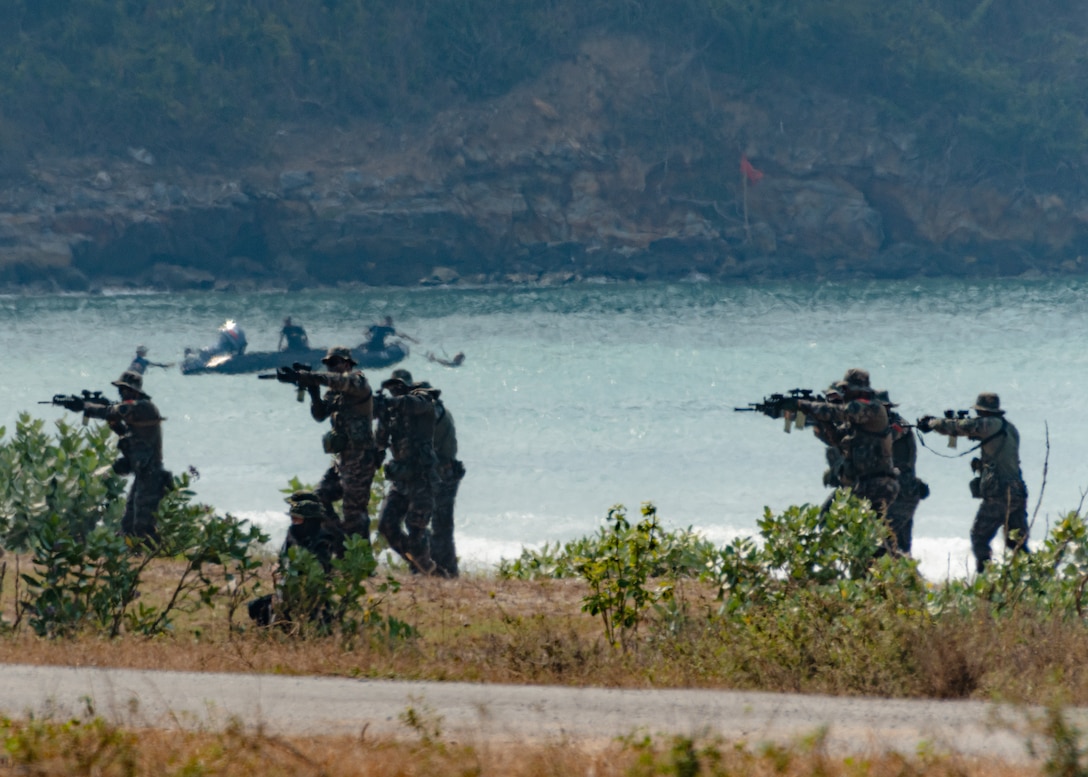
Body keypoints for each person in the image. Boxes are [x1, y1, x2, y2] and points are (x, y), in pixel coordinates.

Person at [783, 368, 900, 548]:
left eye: (847, 390)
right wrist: (818, 422)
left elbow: (840, 412)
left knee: (867, 539)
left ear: (860, 391)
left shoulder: (873, 409)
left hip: (877, 485)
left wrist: (802, 405)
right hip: (862, 484)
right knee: (834, 523)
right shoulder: (856, 420)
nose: (844, 395)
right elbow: (837, 440)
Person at [918, 393, 1030, 572]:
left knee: (979, 537)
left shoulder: (990, 424)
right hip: (1017, 491)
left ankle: (986, 579)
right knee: (1016, 542)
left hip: (1001, 493)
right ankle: (1035, 579)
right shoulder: (1009, 427)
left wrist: (933, 423)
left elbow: (965, 427)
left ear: (983, 411)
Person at [303, 346, 381, 543]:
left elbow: (341, 381)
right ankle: (341, 545)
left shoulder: (358, 381)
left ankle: (362, 562)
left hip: (361, 459)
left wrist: (314, 377)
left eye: (334, 363)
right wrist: (313, 392)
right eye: (328, 364)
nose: (331, 368)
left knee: (354, 513)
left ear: (347, 364)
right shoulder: (334, 392)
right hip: (342, 460)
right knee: (317, 501)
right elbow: (320, 415)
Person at [83, 370, 171, 541]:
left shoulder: (144, 407)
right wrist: (116, 426)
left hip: (152, 474)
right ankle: (133, 555)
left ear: (134, 391)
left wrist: (87, 407)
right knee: (128, 523)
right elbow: (128, 436)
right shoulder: (134, 412)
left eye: (125, 390)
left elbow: (112, 411)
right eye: (120, 390)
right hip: (143, 473)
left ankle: (148, 556)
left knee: (143, 526)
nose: (122, 394)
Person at [399, 370, 464, 578]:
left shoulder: (434, 411)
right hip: (445, 473)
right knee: (437, 524)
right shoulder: (439, 410)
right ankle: (442, 570)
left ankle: (440, 570)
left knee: (433, 524)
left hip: (442, 475)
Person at [247, 491, 341, 627]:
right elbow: (283, 560)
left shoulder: (323, 541)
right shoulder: (293, 535)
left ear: (309, 520)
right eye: (293, 519)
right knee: (256, 608)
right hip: (287, 592)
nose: (294, 523)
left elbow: (320, 572)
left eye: (298, 520)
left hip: (311, 597)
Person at [376, 372, 439, 574]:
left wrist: (391, 402)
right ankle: (419, 564)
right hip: (401, 480)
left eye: (398, 386)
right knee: (386, 525)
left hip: (422, 479)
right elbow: (380, 443)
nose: (394, 390)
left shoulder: (421, 401)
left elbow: (419, 403)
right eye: (391, 387)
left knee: (416, 529)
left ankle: (424, 569)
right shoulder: (390, 414)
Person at [877, 389, 929, 556]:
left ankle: (911, 579)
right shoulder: (884, 425)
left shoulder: (899, 424)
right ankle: (908, 580)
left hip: (904, 492)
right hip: (896, 492)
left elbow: (885, 439)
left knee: (888, 543)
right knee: (896, 546)